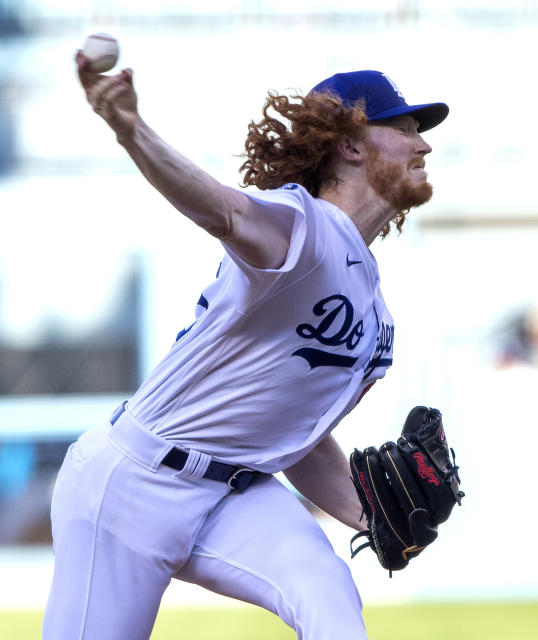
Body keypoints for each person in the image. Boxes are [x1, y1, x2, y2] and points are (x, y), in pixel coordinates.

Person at [41, 53, 448, 640]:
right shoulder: (304, 228)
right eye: (405, 130)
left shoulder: (376, 321)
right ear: (351, 146)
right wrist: (132, 131)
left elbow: (298, 443)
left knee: (326, 592)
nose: (423, 146)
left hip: (236, 494)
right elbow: (222, 208)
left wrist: (376, 516)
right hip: (132, 484)